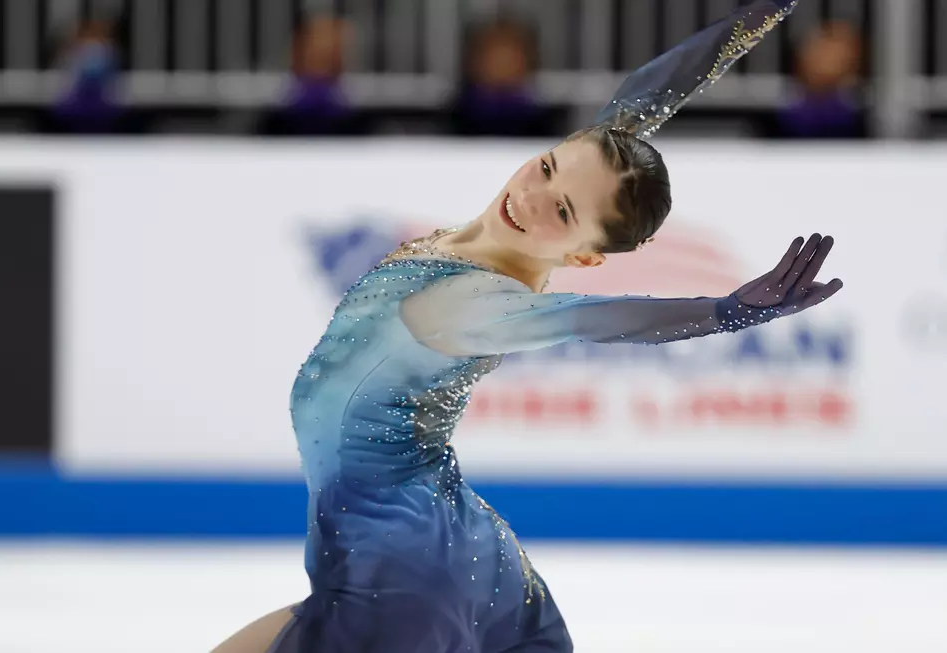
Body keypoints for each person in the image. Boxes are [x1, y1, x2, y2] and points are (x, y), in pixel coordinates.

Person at [212, 2, 836, 652]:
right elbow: (652, 91)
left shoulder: (476, 305)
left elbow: (600, 319)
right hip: (435, 539)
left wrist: (723, 312)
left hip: (400, 578)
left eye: (562, 211)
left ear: (585, 255)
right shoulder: (577, 172)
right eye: (545, 166)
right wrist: (762, 14)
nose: (532, 196)